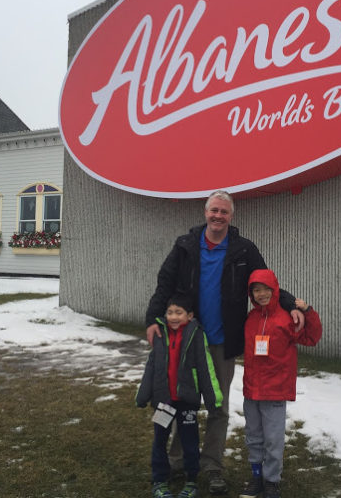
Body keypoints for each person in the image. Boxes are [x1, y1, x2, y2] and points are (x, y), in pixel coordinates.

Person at [146, 190, 304, 495]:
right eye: (214, 210)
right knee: (184, 400)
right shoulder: (185, 245)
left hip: (222, 341)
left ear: (231, 217)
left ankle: (213, 465)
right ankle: (179, 460)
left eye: (224, 212)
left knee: (218, 406)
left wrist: (292, 304)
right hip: (189, 339)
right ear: (205, 213)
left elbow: (266, 282)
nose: (218, 216)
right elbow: (164, 282)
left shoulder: (243, 250)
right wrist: (154, 319)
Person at [239, 269, 322, 498]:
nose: (261, 294)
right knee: (253, 436)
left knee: (273, 440)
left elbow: (311, 337)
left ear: (275, 290)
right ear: (251, 294)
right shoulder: (250, 318)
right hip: (251, 391)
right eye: (256, 290)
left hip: (274, 392)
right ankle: (256, 476)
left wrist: (307, 311)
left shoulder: (288, 318)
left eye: (266, 289)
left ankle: (272, 481)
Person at [136, 294, 223, 498]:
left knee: (190, 442)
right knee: (160, 440)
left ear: (189, 315)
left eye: (179, 313)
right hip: (164, 402)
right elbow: (151, 367)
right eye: (170, 312)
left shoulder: (196, 335)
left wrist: (213, 398)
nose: (174, 317)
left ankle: (191, 480)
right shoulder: (159, 335)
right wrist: (143, 395)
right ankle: (159, 480)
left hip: (187, 402)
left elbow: (205, 367)